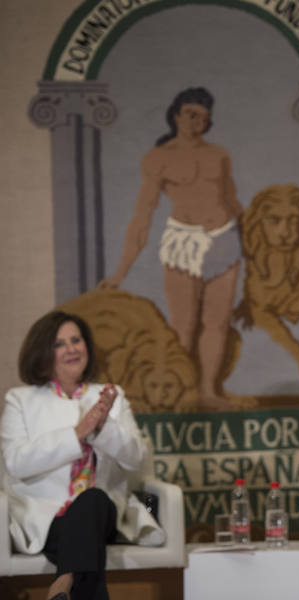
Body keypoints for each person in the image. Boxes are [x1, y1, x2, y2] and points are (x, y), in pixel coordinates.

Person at [99, 87, 243, 410]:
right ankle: (187, 390)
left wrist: (252, 242)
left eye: (204, 118)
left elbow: (233, 202)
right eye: (192, 114)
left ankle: (208, 391)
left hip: (224, 238)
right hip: (183, 242)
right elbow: (142, 215)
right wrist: (120, 272)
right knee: (184, 324)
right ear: (176, 115)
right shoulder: (158, 158)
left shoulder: (219, 155)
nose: (198, 122)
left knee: (217, 322)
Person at [1, 311, 161, 600]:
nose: (72, 348)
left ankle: (60, 587)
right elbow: (16, 462)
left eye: (76, 340)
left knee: (92, 500)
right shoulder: (20, 400)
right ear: (42, 351)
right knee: (83, 544)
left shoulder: (111, 396)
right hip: (47, 516)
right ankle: (66, 581)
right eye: (60, 343)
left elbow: (136, 458)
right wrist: (78, 432)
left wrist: (102, 428)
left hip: (103, 513)